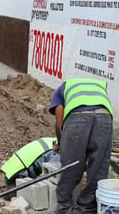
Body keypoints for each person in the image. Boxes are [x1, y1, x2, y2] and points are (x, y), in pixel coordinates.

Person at [49, 77, 113, 213]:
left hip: (78, 118)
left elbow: (59, 124)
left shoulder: (60, 91)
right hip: (104, 117)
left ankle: (65, 208)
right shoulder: (99, 84)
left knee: (71, 166)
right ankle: (86, 208)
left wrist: (61, 144)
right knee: (99, 168)